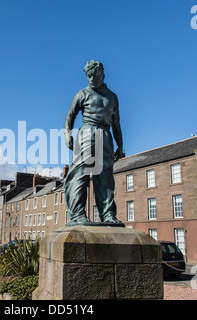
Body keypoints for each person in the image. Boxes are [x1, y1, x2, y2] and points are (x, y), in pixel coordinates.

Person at [64, 60, 124, 224]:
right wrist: (67, 134)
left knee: (105, 177)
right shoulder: (82, 94)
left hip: (105, 135)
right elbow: (70, 115)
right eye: (88, 76)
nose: (91, 79)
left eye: (94, 75)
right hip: (87, 132)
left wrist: (120, 145)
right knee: (80, 173)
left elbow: (116, 123)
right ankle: (77, 214)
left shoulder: (112, 97)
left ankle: (108, 214)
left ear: (102, 75)